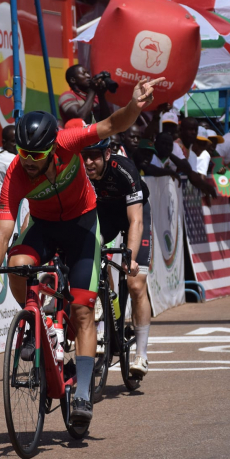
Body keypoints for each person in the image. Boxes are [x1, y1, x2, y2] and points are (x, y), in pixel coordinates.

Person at [0, 76, 165, 426]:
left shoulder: (68, 141)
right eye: (23, 154)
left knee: (81, 311)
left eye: (37, 156)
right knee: (18, 265)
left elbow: (110, 124)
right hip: (44, 226)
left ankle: (82, 393)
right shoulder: (16, 174)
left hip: (82, 226)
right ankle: (34, 323)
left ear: (52, 148)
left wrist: (135, 106)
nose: (29, 162)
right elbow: (3, 230)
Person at [81, 138, 153, 375]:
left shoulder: (124, 170)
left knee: (135, 283)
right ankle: (107, 319)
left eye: (95, 156)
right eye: (85, 156)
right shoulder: (80, 171)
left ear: (107, 154)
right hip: (106, 215)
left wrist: (129, 258)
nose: (89, 162)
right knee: (90, 259)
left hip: (134, 214)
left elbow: (136, 221)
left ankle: (141, 354)